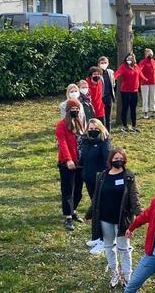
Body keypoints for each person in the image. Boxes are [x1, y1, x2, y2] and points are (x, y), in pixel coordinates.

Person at [89, 149, 142, 288]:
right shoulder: (102, 176)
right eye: (116, 158)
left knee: (124, 248)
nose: (118, 160)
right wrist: (89, 213)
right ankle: (115, 273)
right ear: (110, 160)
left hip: (122, 220)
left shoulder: (128, 176)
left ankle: (127, 276)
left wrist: (140, 214)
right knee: (108, 247)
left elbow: (134, 197)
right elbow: (96, 197)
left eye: (121, 158)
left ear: (124, 160)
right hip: (105, 218)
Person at [80, 118, 112, 253]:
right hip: (89, 179)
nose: (93, 131)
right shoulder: (85, 141)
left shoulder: (105, 142)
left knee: (101, 209)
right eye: (91, 129)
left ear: (101, 129)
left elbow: (107, 161)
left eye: (95, 129)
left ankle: (105, 240)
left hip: (100, 180)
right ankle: (97, 236)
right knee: (95, 208)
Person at [56, 98, 85, 231]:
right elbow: (62, 143)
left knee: (78, 190)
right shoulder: (61, 125)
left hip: (79, 162)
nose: (75, 111)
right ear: (68, 110)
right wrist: (68, 159)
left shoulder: (80, 123)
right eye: (73, 109)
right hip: (67, 163)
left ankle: (73, 210)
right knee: (68, 190)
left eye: (77, 109)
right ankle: (68, 216)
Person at [115, 52, 146, 133]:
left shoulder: (136, 66)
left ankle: (134, 126)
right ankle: (124, 126)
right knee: (125, 108)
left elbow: (140, 73)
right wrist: (114, 78)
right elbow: (117, 73)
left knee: (133, 109)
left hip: (134, 91)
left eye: (131, 58)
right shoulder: (123, 66)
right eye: (128, 58)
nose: (129, 59)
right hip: (125, 91)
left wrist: (145, 79)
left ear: (133, 59)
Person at [138, 48, 155, 119]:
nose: (150, 55)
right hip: (145, 82)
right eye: (148, 53)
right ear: (145, 55)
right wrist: (142, 77)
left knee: (153, 97)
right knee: (145, 97)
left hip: (153, 81)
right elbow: (139, 70)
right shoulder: (142, 62)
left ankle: (153, 111)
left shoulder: (153, 61)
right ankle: (145, 112)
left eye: (151, 53)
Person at [98, 56, 116, 129]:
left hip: (109, 97)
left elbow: (113, 83)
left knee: (108, 117)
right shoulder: (97, 73)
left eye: (105, 62)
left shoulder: (111, 72)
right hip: (100, 98)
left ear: (108, 63)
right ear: (98, 64)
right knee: (101, 117)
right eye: (102, 63)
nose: (104, 64)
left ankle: (108, 133)